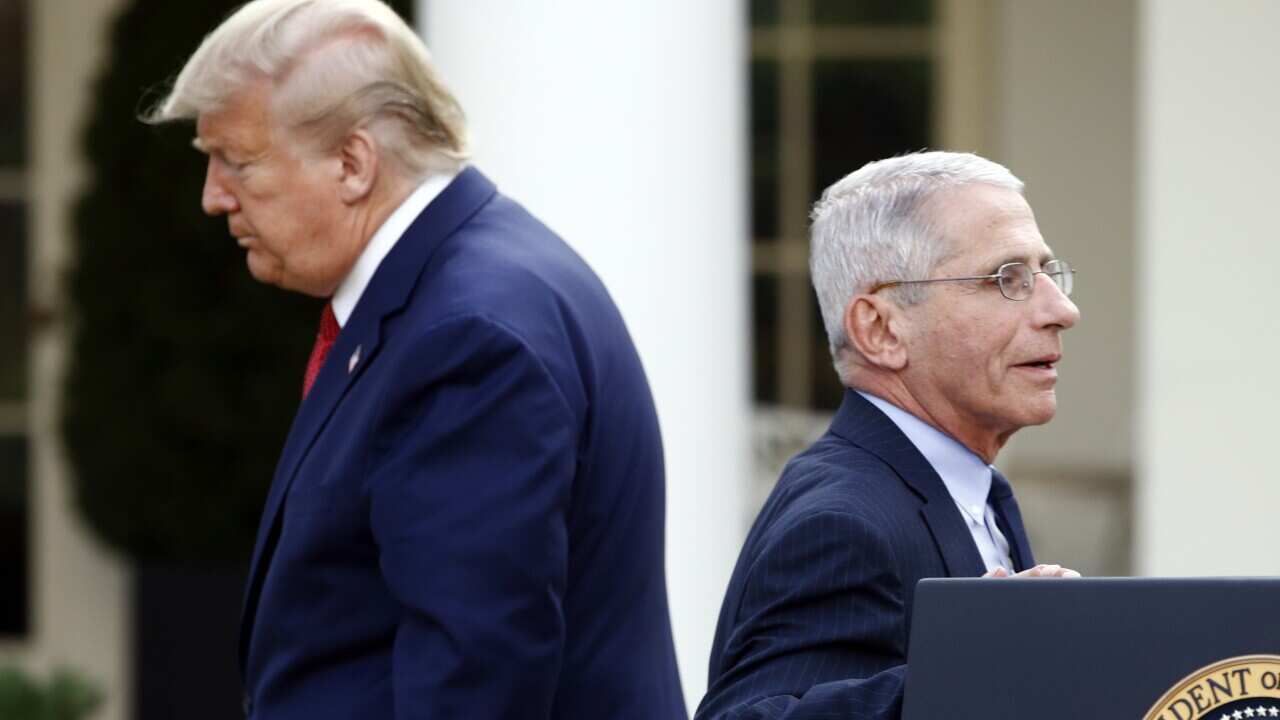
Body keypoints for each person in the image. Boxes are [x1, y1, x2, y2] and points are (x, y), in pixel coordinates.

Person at [144, 1, 686, 717]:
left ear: (352, 163)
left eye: (239, 162)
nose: (215, 197)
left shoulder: (469, 337)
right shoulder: (458, 292)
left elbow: (474, 679)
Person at [695, 151, 1082, 720]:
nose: (1062, 309)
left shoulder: (975, 490)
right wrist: (985, 664)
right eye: (1007, 279)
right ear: (879, 329)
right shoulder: (845, 525)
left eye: (1048, 272)